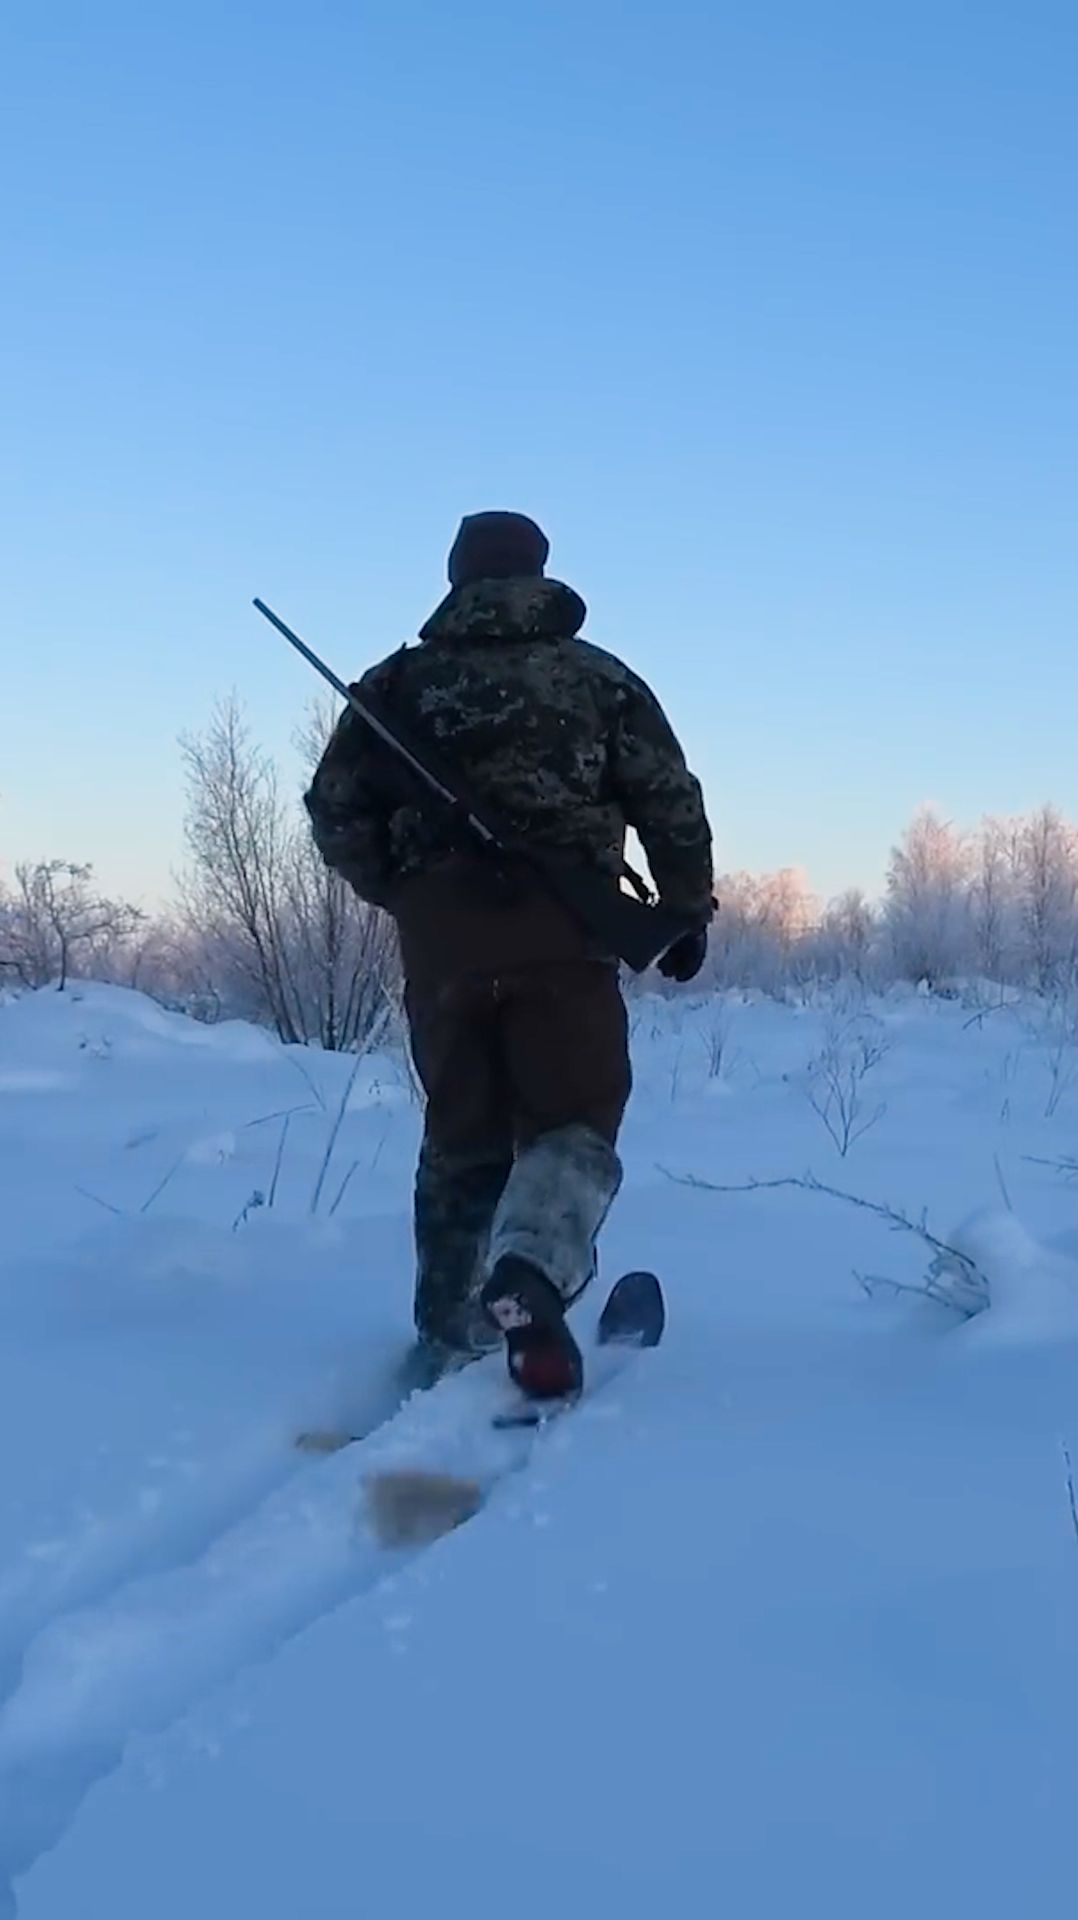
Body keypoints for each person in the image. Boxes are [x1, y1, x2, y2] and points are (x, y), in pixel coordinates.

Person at [305, 511, 714, 1400]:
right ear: (539, 572)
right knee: (573, 1120)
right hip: (563, 940)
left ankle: (455, 1330)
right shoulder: (598, 680)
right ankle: (529, 1271)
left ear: (457, 577)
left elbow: (335, 808)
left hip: (443, 948)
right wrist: (683, 911)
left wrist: (406, 894)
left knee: (461, 1134)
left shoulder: (397, 685)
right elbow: (670, 802)